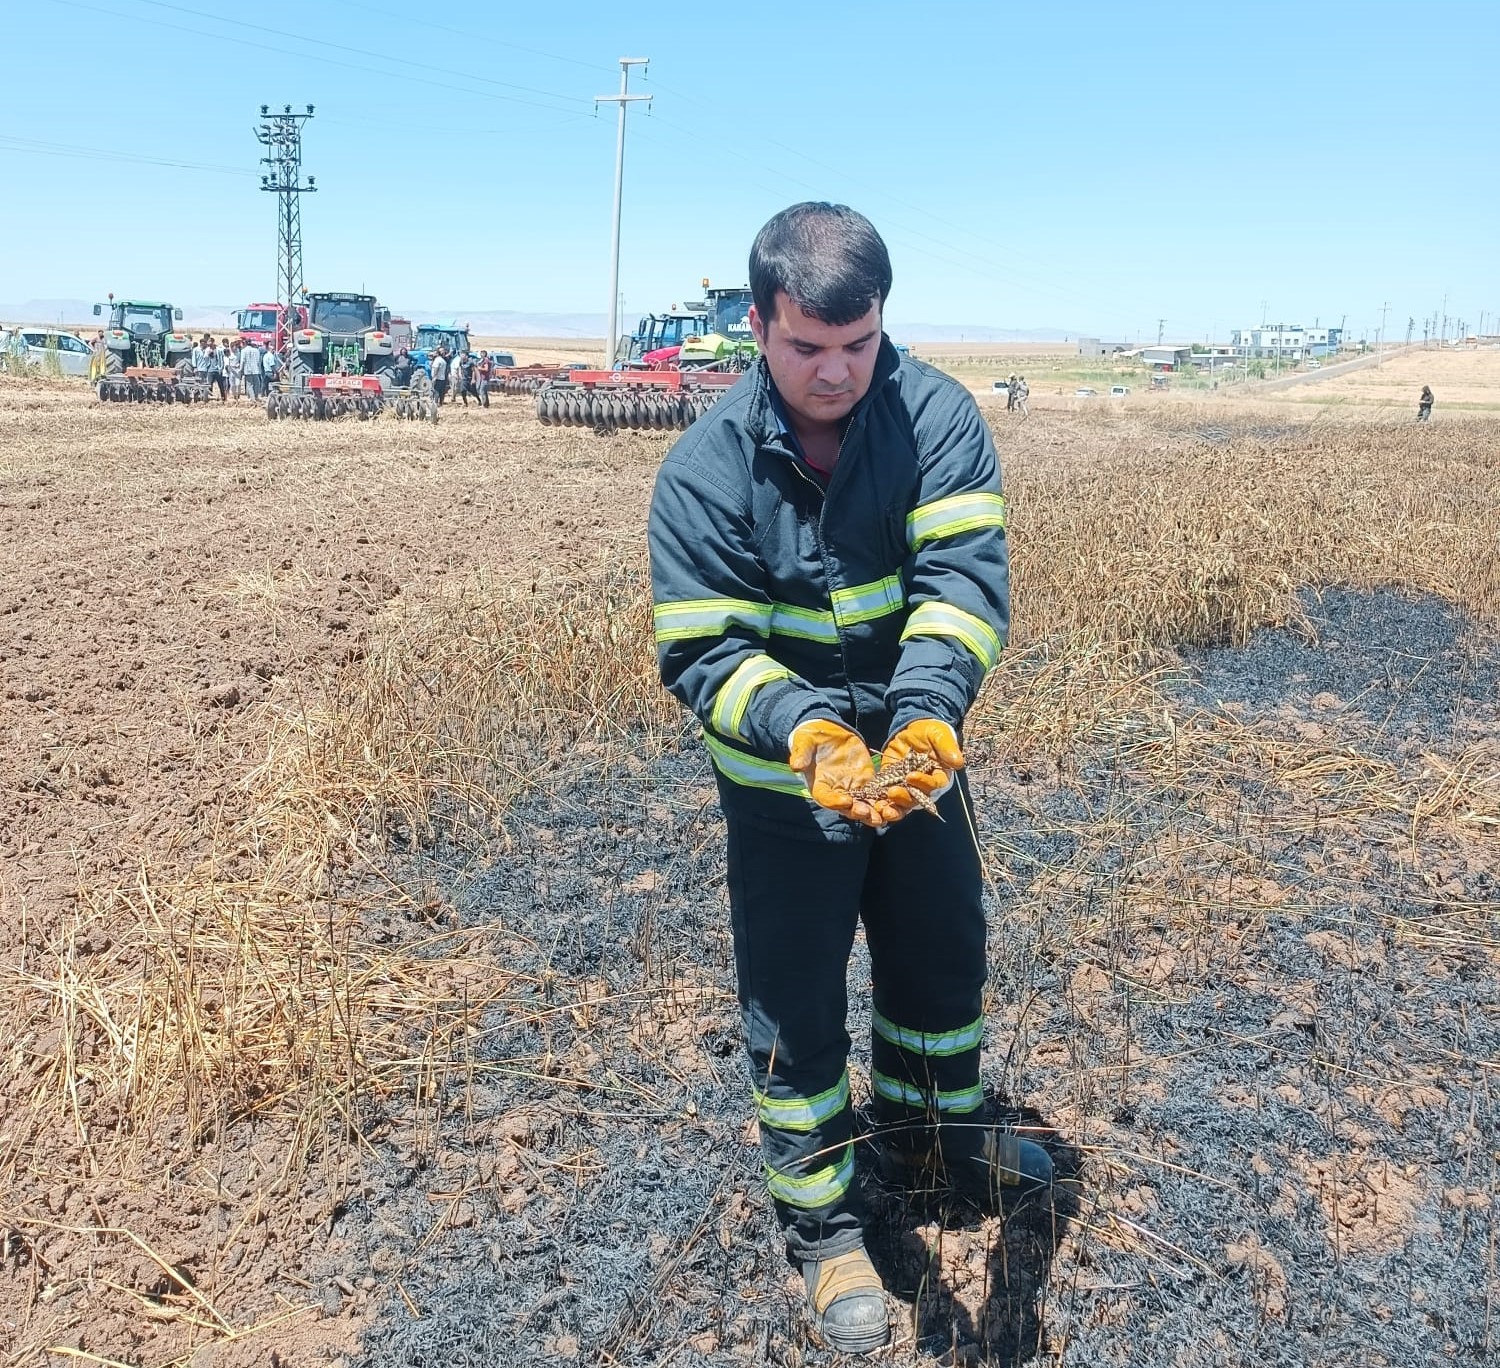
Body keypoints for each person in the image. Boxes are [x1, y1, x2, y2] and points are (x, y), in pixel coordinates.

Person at [648, 202, 1053, 1357]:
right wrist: (810, 736)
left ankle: (938, 1139)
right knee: (795, 1006)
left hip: (920, 767)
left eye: (858, 344)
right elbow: (705, 648)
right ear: (758, 329)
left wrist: (923, 718)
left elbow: (963, 583)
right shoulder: (703, 471)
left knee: (940, 955)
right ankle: (823, 1225)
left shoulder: (938, 420)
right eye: (805, 348)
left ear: (883, 323)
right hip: (786, 792)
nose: (835, 372)